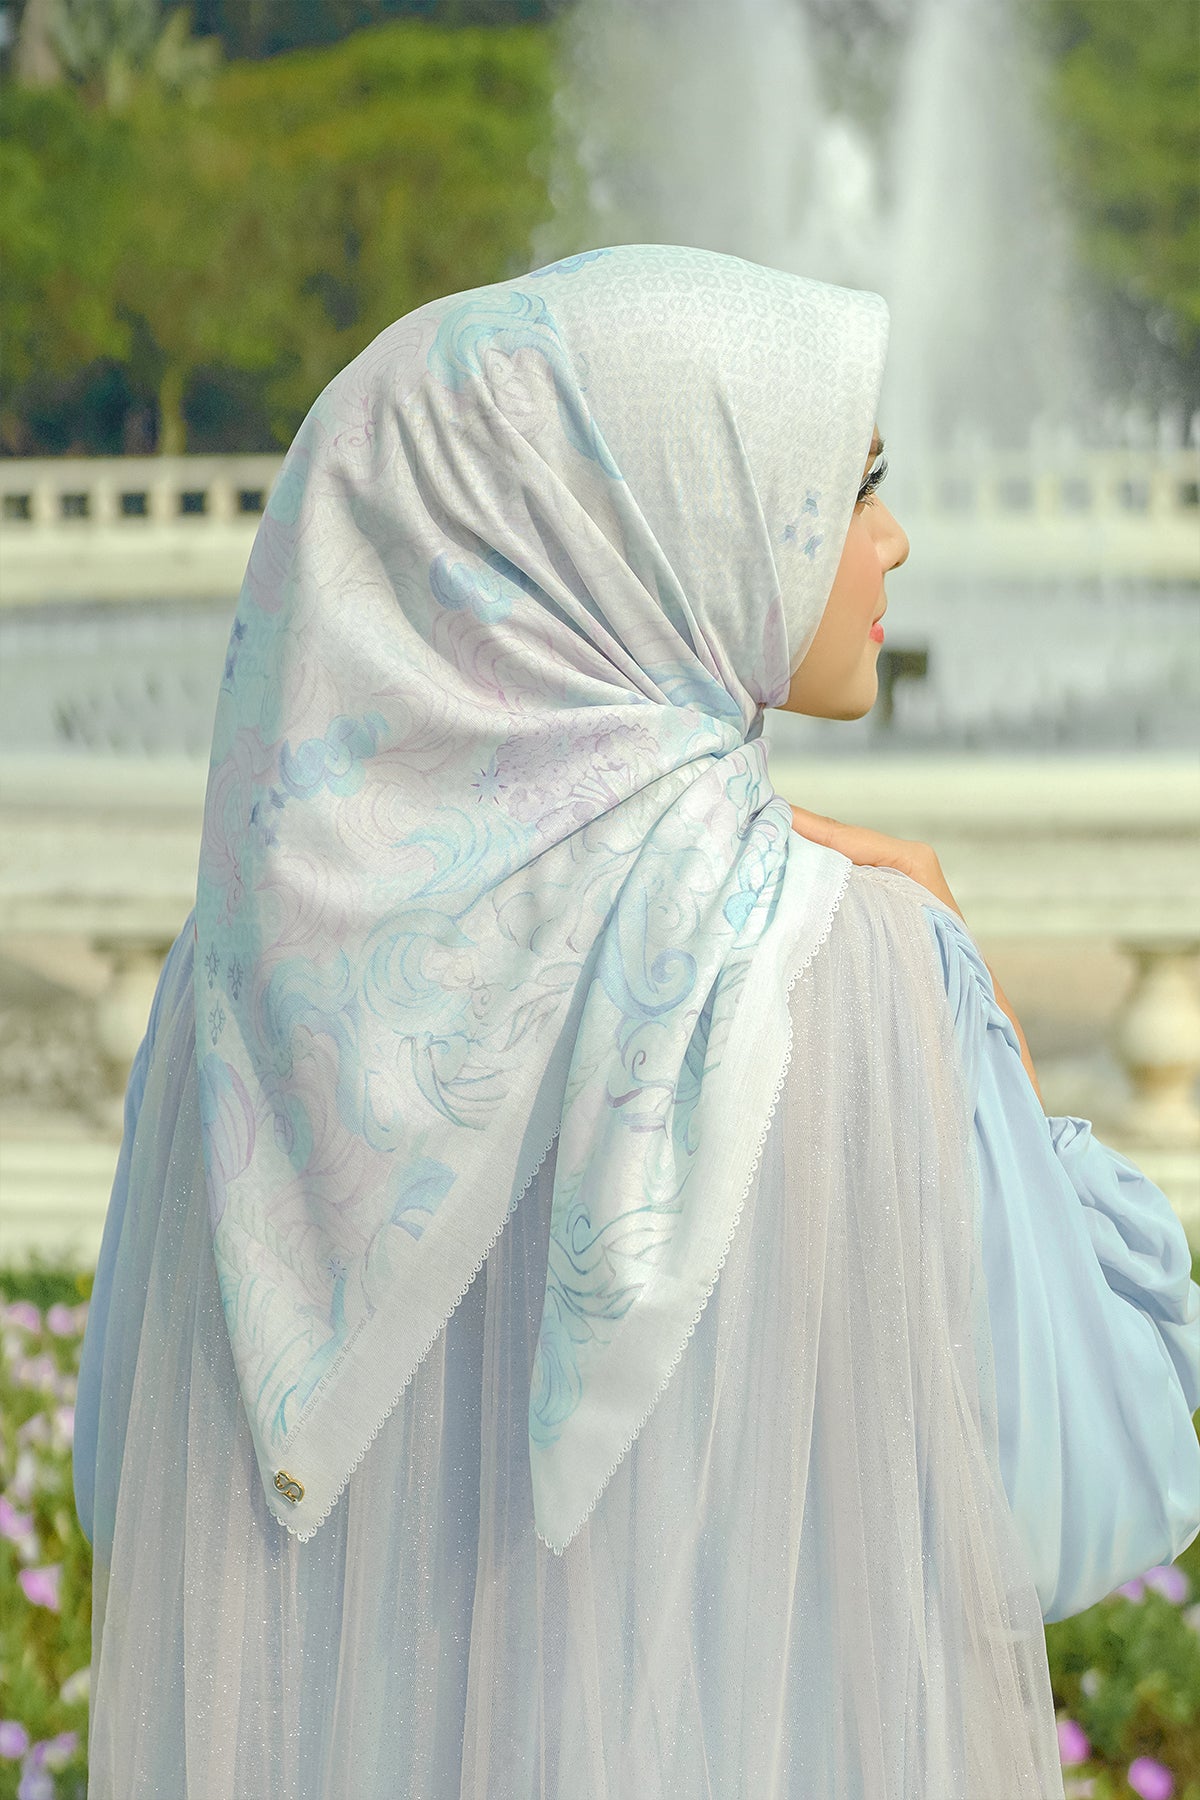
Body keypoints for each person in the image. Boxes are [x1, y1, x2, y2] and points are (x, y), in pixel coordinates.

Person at [73, 243, 1200, 1799]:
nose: (893, 541)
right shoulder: (850, 967)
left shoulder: (244, 982)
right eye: (850, 487)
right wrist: (978, 1001)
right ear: (662, 527)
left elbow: (149, 1495)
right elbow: (1090, 1470)